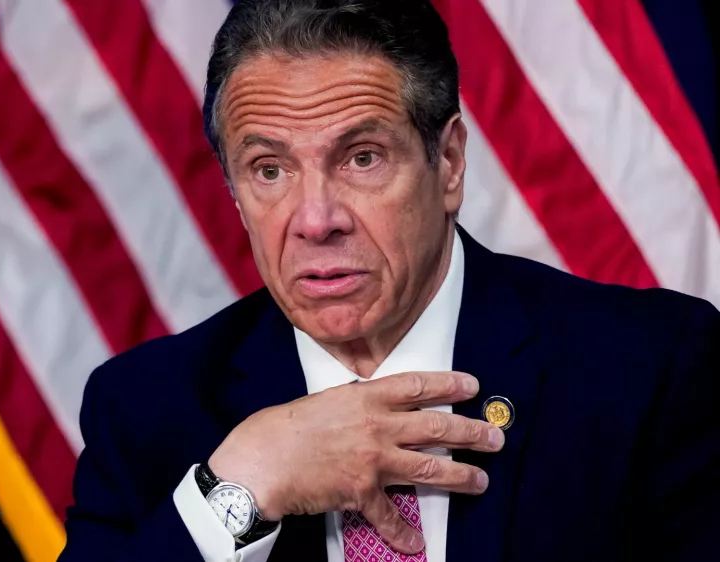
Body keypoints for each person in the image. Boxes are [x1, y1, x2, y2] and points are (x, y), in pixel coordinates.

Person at [59, 1, 720, 560]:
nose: (315, 220)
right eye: (269, 170)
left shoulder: (647, 369)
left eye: (362, 158)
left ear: (449, 162)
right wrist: (243, 487)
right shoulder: (145, 409)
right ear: (234, 192)